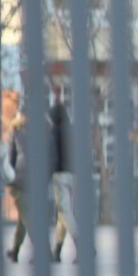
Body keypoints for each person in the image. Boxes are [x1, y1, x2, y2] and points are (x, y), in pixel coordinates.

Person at [49, 96, 79, 262]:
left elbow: (51, 154)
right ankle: (57, 250)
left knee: (65, 213)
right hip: (74, 175)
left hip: (59, 175)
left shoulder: (53, 132)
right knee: (63, 214)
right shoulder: (74, 130)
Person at [5, 112, 29, 263]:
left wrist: (9, 178)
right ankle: (15, 250)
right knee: (23, 217)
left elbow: (11, 157)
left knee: (27, 217)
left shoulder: (15, 134)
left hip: (19, 180)